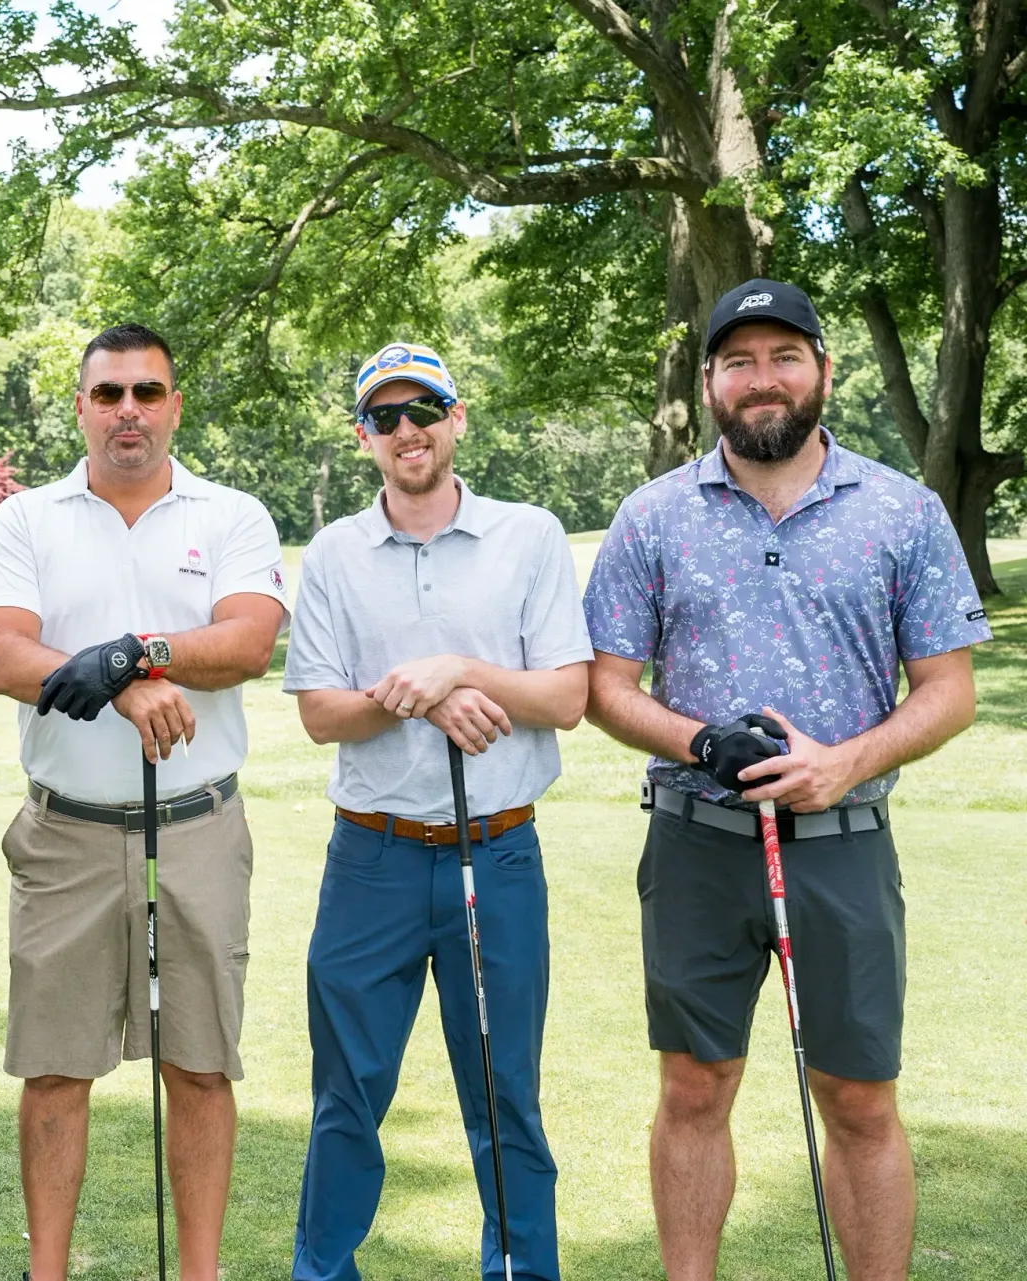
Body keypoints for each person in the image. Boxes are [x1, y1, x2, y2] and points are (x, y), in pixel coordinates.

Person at [583, 279, 990, 1281]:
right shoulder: (652, 516)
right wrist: (695, 743)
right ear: (711, 380)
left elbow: (949, 691)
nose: (762, 381)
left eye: (783, 357)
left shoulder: (903, 511)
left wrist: (843, 762)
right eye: (738, 362)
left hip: (843, 850)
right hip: (695, 845)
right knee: (692, 1088)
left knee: (858, 1100)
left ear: (822, 369)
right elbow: (604, 687)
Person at [0, 323, 288, 1281]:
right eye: (107, 394)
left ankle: (199, 1273)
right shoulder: (27, 519)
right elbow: (2, 654)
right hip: (66, 830)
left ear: (174, 405)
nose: (128, 412)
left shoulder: (229, 514)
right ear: (80, 407)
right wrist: (119, 680)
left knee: (198, 1062)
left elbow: (246, 643)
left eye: (147, 393)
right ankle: (48, 1273)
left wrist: (136, 649)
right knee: (56, 1068)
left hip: (196, 826)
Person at [282, 342, 591, 1281]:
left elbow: (566, 696)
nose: (406, 430)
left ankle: (520, 1270)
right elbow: (320, 712)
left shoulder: (528, 534)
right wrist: (418, 693)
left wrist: (459, 669)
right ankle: (324, 1271)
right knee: (347, 1093)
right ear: (364, 434)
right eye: (385, 417)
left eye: (424, 410)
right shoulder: (335, 550)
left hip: (496, 856)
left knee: (505, 1095)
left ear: (457, 419)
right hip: (370, 860)